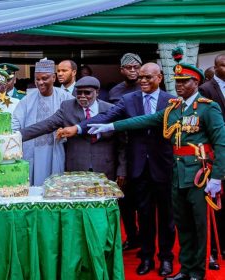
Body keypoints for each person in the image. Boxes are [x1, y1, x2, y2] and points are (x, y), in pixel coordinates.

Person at [87, 59, 225, 280]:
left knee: (199, 225)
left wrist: (217, 177)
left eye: (184, 81)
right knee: (184, 225)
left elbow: (221, 142)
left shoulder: (209, 107)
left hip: (200, 175)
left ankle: (198, 272)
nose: (179, 85)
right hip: (178, 174)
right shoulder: (175, 108)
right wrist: (111, 126)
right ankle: (187, 268)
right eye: (177, 81)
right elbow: (145, 120)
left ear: (196, 82)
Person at [58, 62, 176, 276]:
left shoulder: (171, 101)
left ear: (160, 78)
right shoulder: (128, 100)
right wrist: (79, 127)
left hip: (164, 165)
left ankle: (166, 258)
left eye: (148, 77)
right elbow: (106, 116)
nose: (143, 81)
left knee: (167, 216)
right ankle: (147, 257)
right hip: (139, 166)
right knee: (145, 215)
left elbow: (153, 124)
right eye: (141, 77)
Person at [20, 76, 127, 182]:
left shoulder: (110, 110)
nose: (82, 96)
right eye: (79, 93)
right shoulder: (68, 107)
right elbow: (46, 125)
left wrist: (122, 170)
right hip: (76, 168)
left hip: (105, 168)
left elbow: (122, 144)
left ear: (97, 92)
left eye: (87, 93)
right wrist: (18, 135)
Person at [12, 58, 73, 186]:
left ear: (54, 78)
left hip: (56, 148)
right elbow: (15, 121)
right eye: (37, 79)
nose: (40, 82)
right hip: (32, 149)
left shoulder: (66, 97)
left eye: (44, 78)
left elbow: (75, 119)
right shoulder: (27, 99)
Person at [199, 53, 225, 270]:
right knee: (215, 203)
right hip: (215, 153)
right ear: (215, 67)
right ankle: (213, 251)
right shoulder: (206, 89)